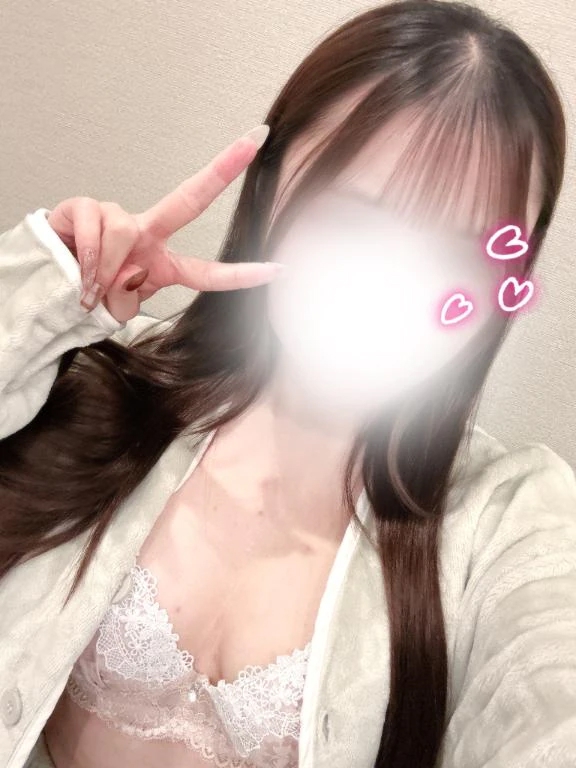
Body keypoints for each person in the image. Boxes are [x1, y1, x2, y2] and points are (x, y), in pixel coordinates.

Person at [1, 1, 575, 767]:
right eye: (359, 217)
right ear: (270, 186)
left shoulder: (504, 518)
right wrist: (44, 294)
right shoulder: (107, 382)